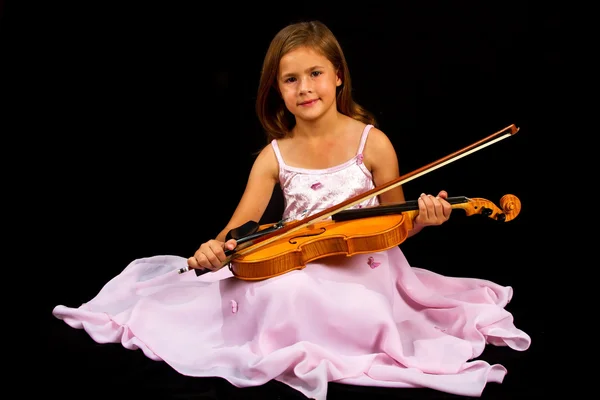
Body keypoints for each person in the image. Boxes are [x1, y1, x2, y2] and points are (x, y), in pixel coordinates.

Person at [53, 20, 530, 400]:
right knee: (279, 289)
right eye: (290, 79)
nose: (305, 87)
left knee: (348, 307)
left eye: (316, 73)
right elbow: (241, 225)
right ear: (277, 90)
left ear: (338, 75)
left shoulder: (373, 143)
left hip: (365, 266)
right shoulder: (273, 155)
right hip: (300, 257)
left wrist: (423, 218)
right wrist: (216, 247)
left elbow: (396, 225)